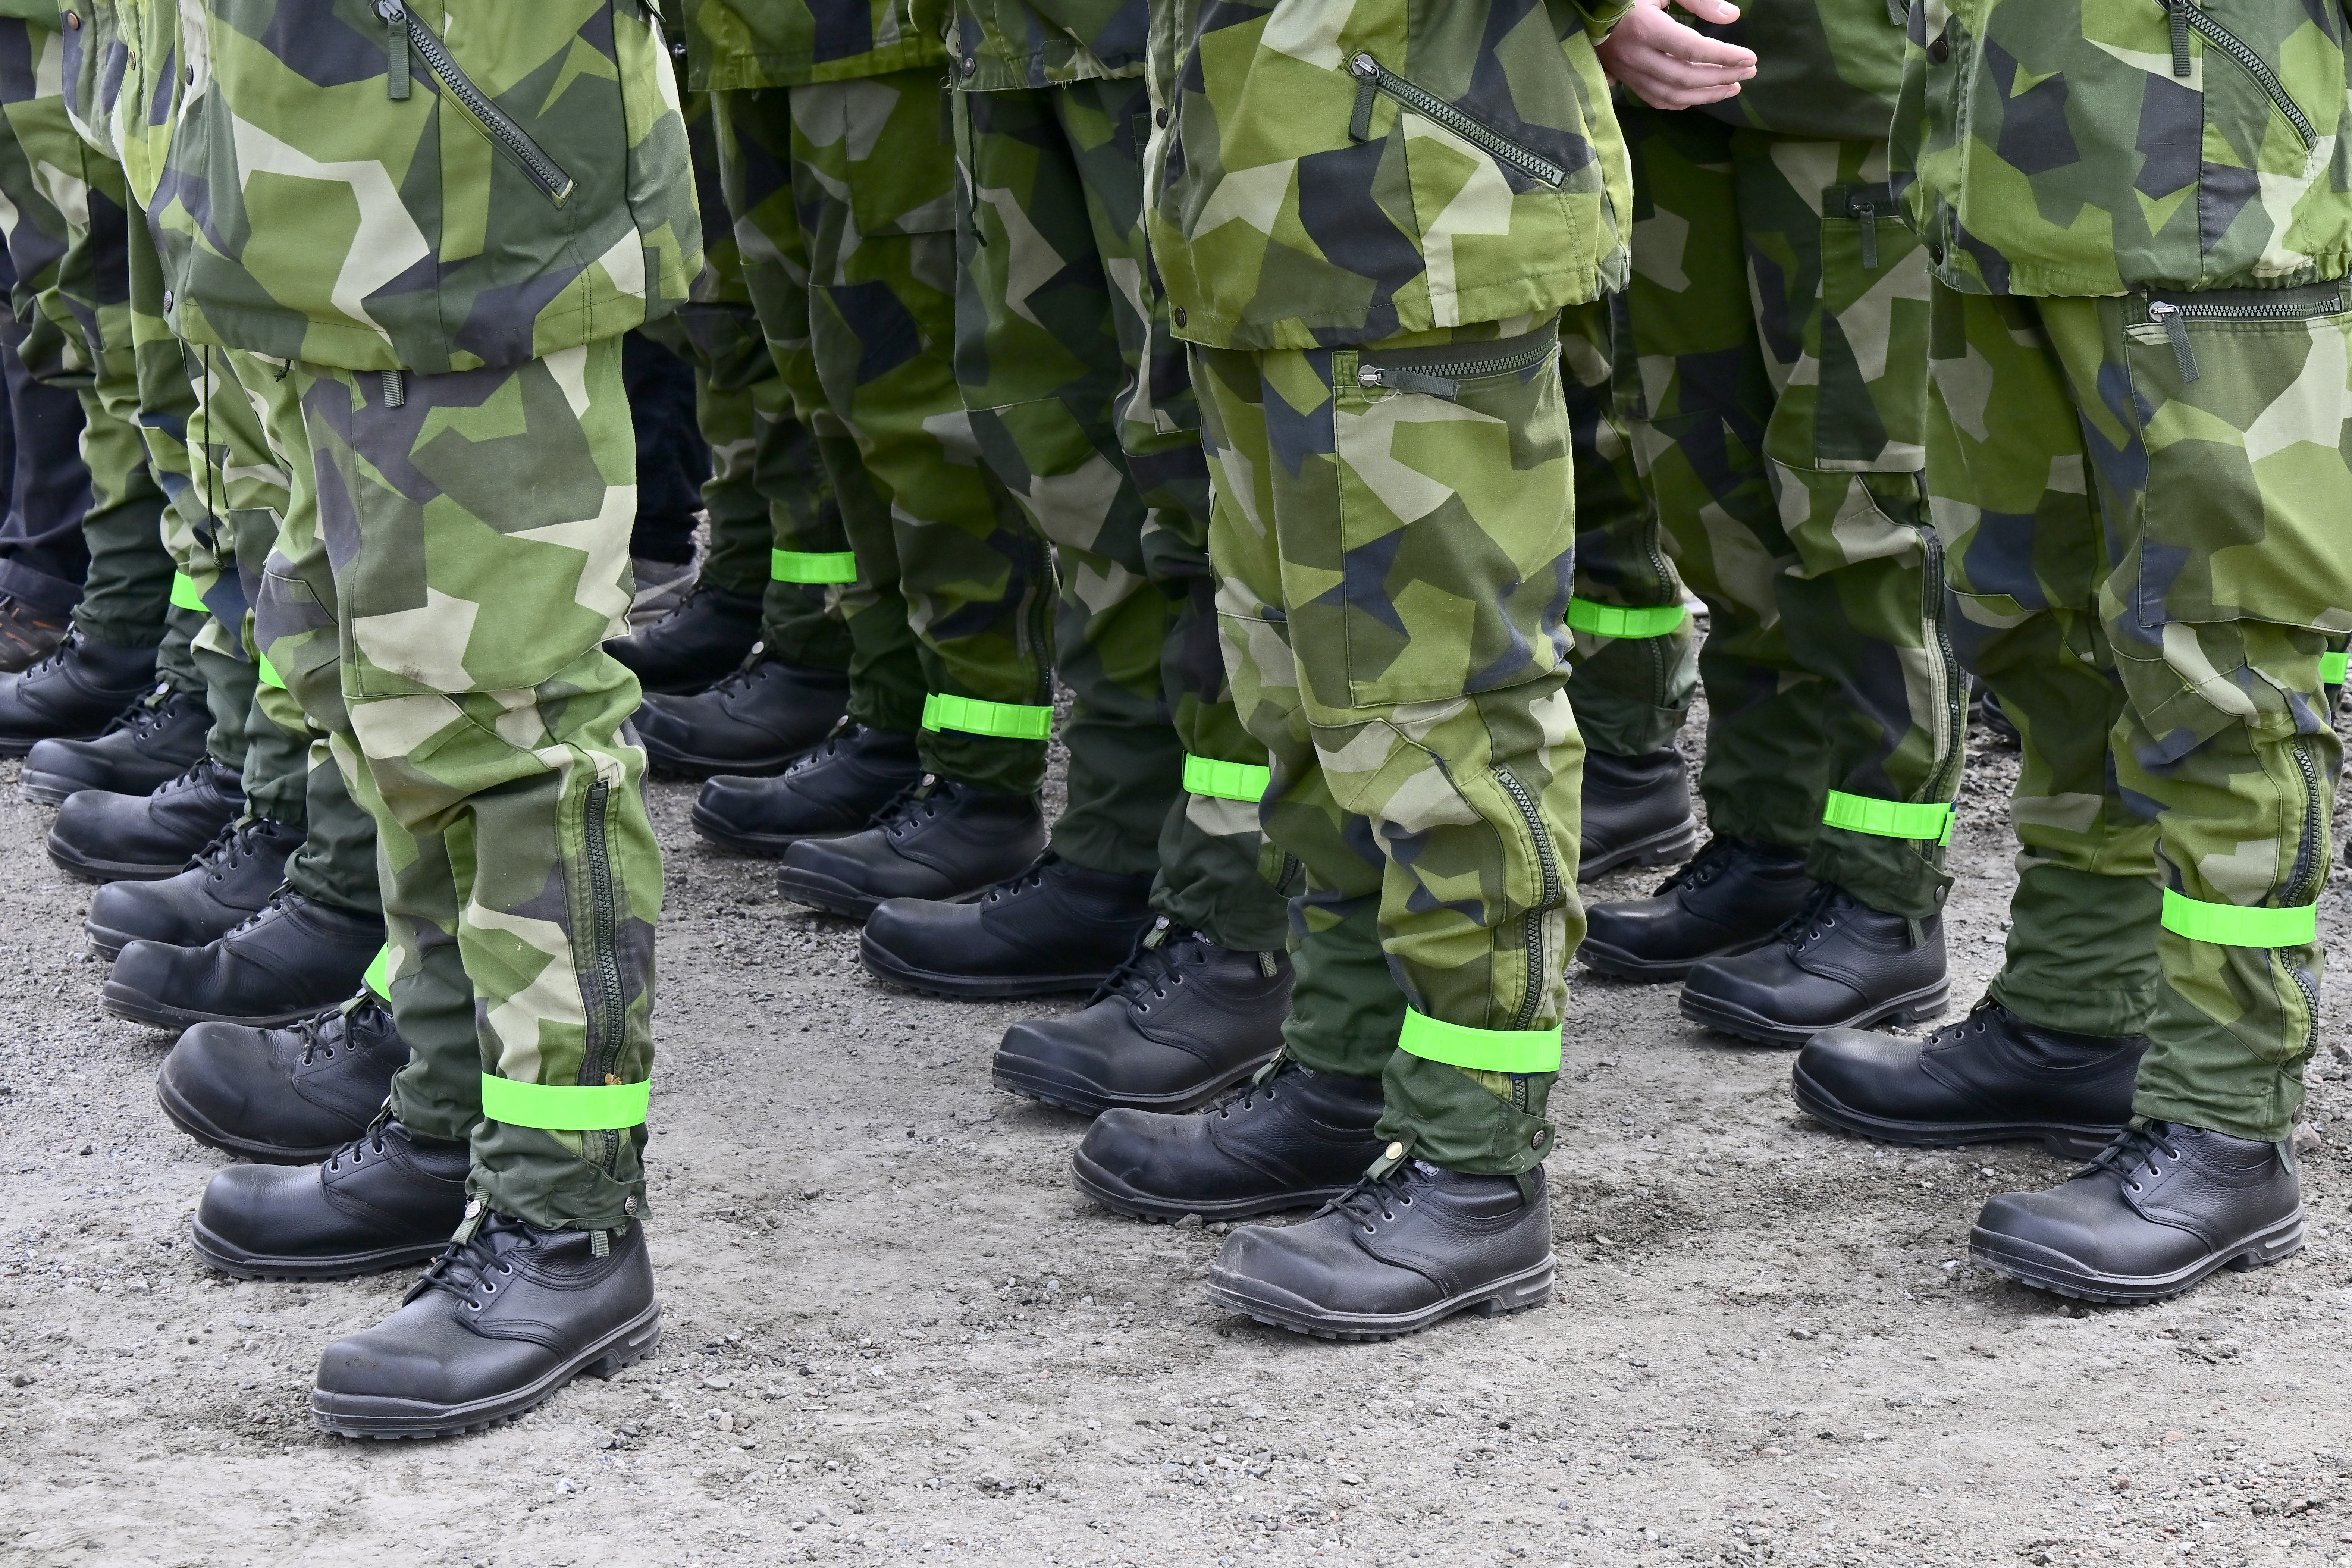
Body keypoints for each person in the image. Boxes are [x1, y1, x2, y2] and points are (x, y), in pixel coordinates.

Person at [76, 0, 698, 1433]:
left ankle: (568, 1220)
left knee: (509, 721)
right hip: (301, 183)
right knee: (374, 702)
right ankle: (443, 1110)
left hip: (464, 183)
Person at [1070, 0, 1729, 1340]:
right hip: (1258, 199)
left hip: (1412, 204)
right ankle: (1348, 1073)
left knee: (1449, 714)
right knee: (1309, 704)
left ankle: (1474, 1161)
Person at [1793, 0, 2343, 1303]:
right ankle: (2076, 1006)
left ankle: (2226, 1118)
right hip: (2000, 165)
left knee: (2217, 668)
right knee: (2032, 627)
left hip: (2212, 179)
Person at [849, 0, 1294, 1102]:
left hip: (1177, 38)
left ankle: (1240, 912)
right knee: (1060, 450)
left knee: (1203, 472)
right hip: (1016, 37)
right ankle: (1115, 845)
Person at [1575, 0, 1967, 1048]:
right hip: (1670, 87)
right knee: (1710, 488)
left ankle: (1883, 895)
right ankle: (1769, 834)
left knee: (1855, 503)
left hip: (1855, 84)